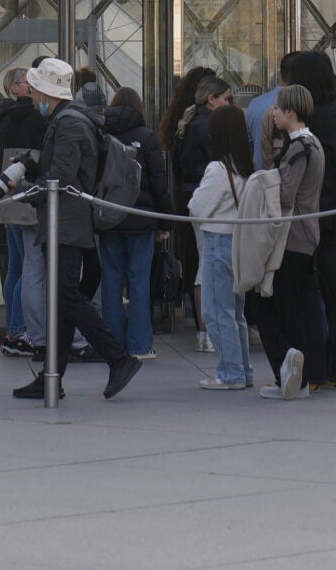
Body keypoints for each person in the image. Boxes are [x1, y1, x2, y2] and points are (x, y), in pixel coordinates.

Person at [12, 58, 139, 401]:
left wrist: (31, 191)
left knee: (65, 297)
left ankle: (118, 358)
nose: (32, 94)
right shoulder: (70, 120)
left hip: (65, 221)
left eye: (35, 88)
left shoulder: (68, 123)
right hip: (68, 220)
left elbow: (62, 176)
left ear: (46, 92)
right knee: (64, 298)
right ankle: (53, 374)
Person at [246, 83, 327, 400]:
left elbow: (285, 194)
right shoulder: (312, 144)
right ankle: (297, 375)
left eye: (278, 108)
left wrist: (263, 182)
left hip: (291, 238)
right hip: (306, 235)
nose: (274, 113)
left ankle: (288, 371)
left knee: (267, 303)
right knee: (295, 306)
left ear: (290, 112)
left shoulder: (299, 148)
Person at [96, 86, 171, 362]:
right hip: (142, 221)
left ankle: (113, 343)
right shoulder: (147, 137)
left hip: (109, 217)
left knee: (111, 281)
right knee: (139, 282)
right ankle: (139, 345)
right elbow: (159, 183)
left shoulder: (103, 135)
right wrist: (165, 220)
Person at [294, 53, 336, 390]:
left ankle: (316, 368)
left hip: (311, 210)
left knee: (311, 290)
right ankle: (335, 368)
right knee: (333, 288)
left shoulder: (313, 116)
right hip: (329, 207)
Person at [0, 63, 47, 360]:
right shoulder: (33, 118)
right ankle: (23, 331)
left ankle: (12, 329)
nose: (32, 87)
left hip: (4, 198)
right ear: (16, 87)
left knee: (14, 267)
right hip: (27, 196)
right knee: (30, 269)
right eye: (27, 82)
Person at [190, 104, 253, 389]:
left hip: (218, 242)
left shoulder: (218, 168)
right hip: (239, 243)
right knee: (236, 313)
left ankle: (231, 373)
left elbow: (198, 207)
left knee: (216, 312)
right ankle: (243, 370)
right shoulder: (246, 165)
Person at [170, 74, 231, 350]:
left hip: (191, 196)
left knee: (201, 262)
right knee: (210, 266)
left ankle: (203, 329)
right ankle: (209, 330)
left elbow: (178, 168)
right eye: (226, 99)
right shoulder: (210, 126)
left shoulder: (188, 125)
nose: (229, 104)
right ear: (212, 98)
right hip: (211, 198)